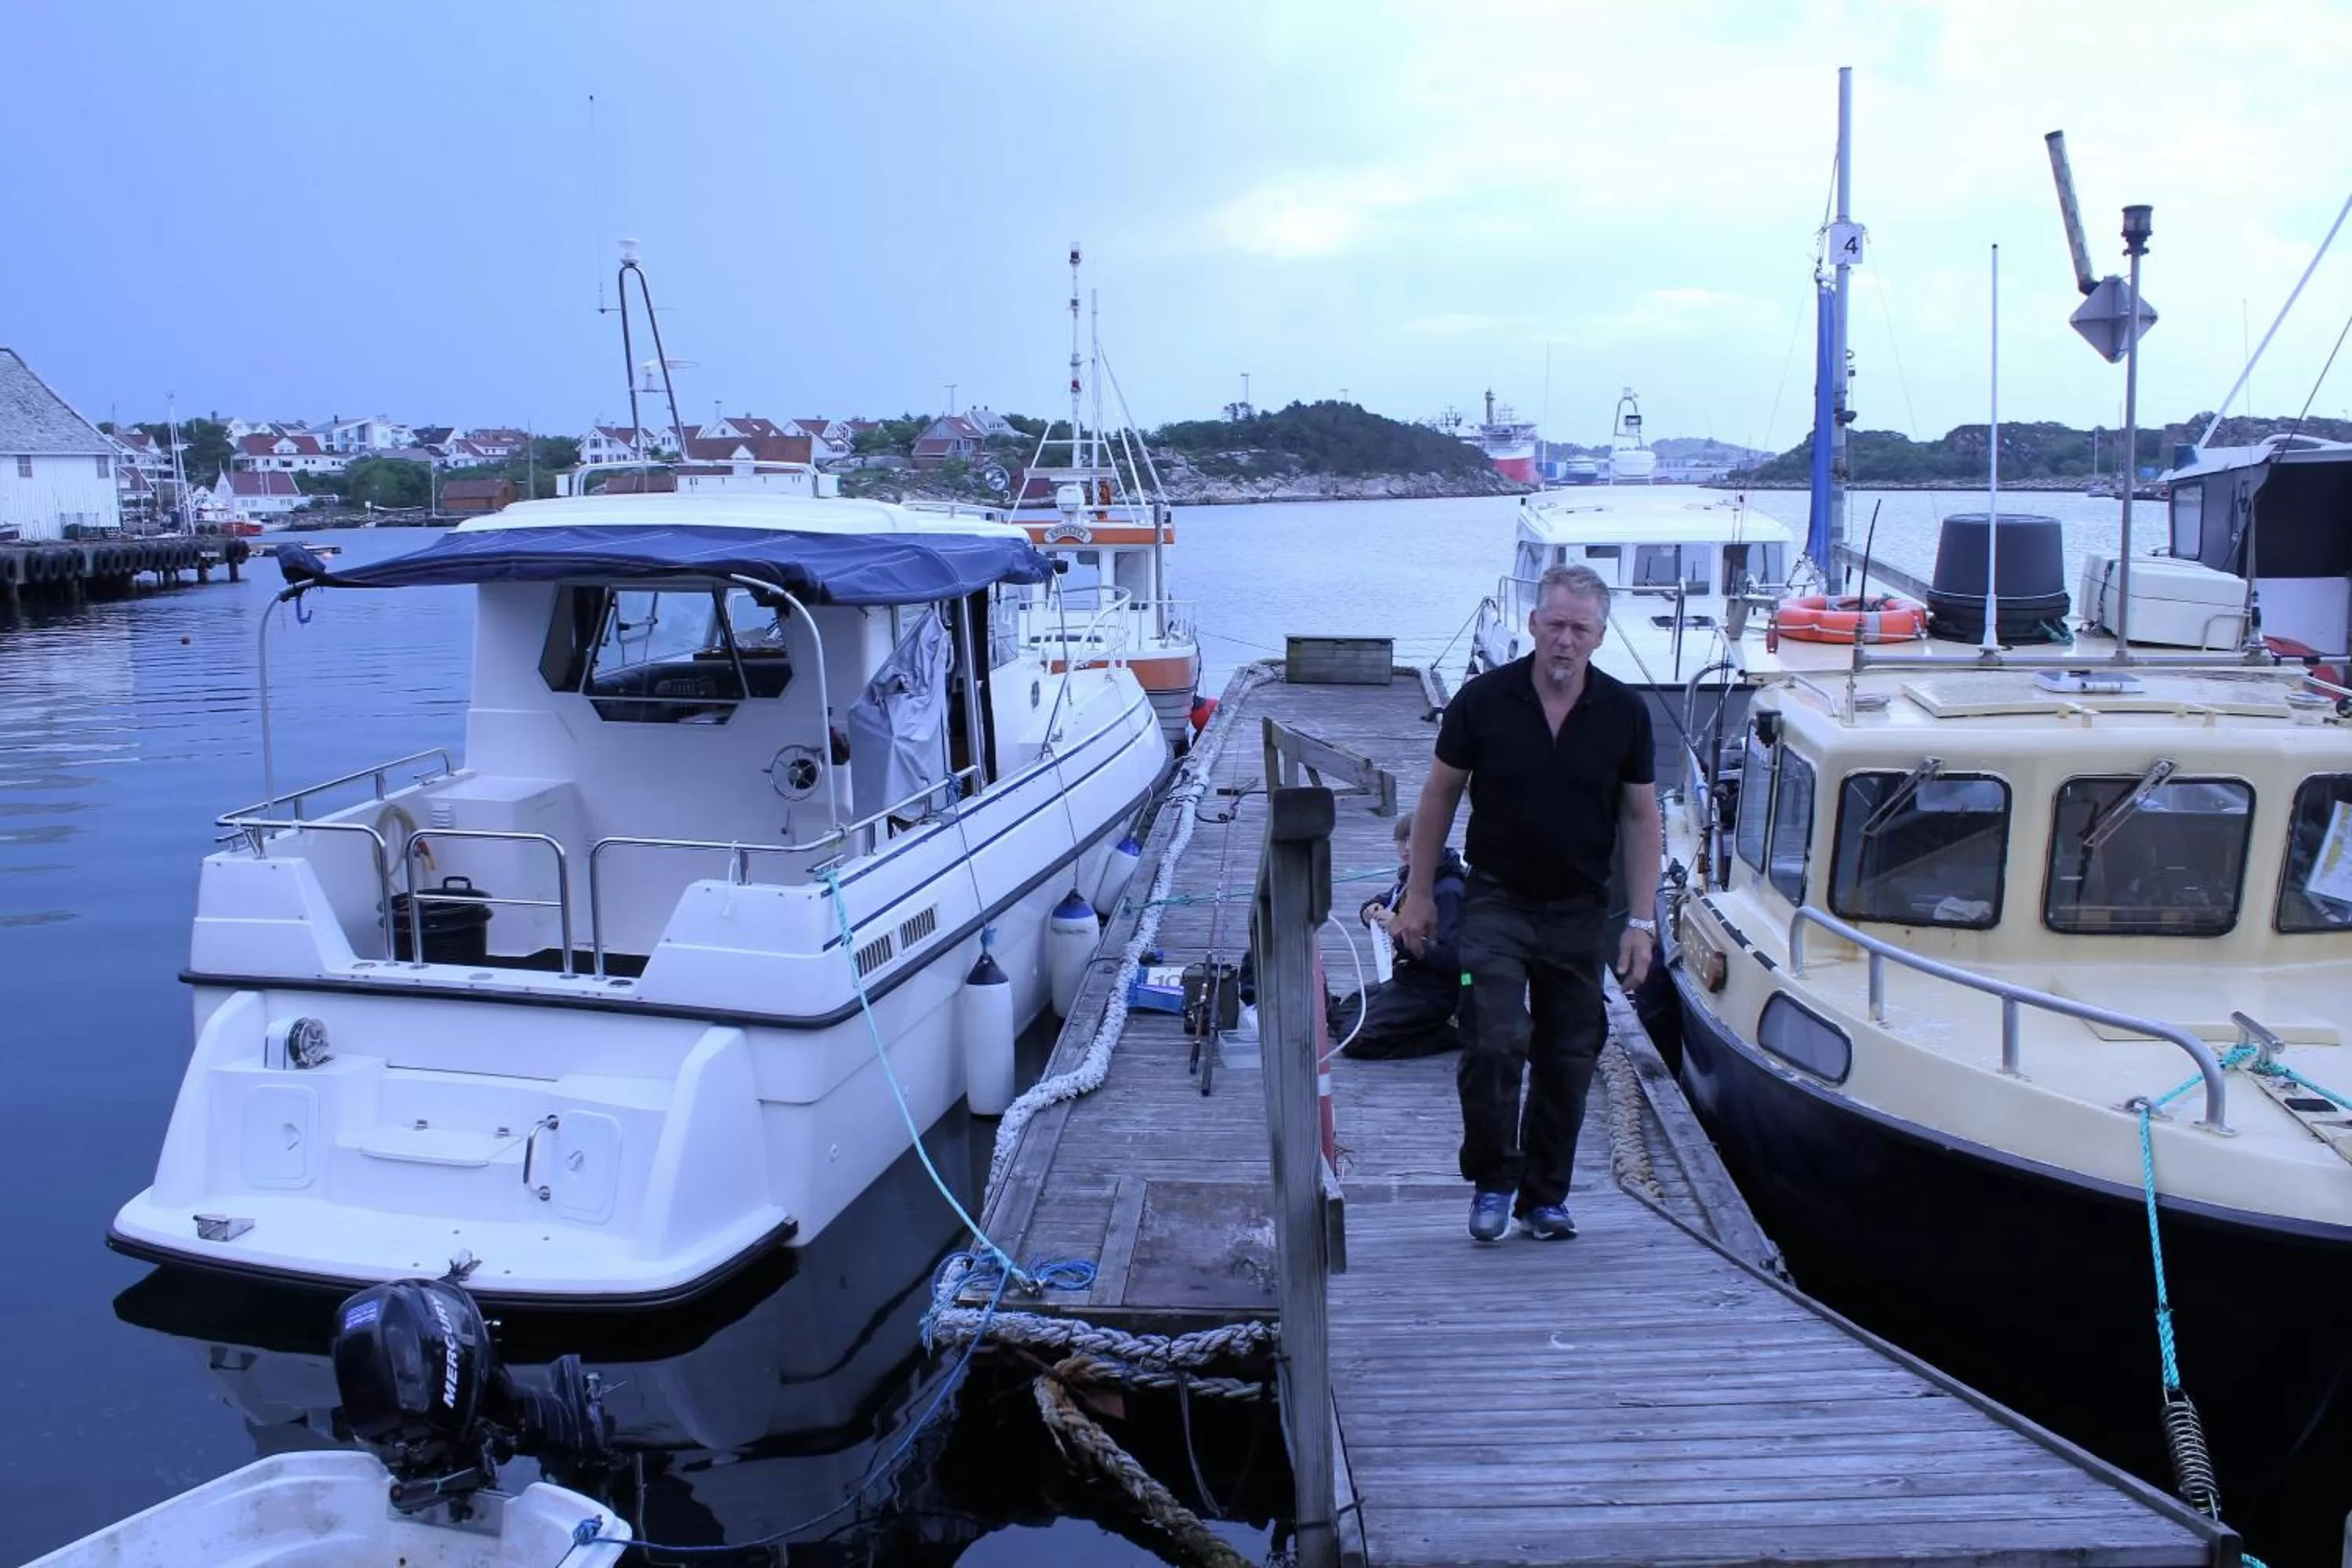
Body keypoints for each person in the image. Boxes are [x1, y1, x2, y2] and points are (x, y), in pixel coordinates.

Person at [1393, 564, 1661, 1243]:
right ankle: (1492, 1178)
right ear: (1534, 625)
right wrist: (1419, 893)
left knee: (1570, 1054)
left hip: (1579, 911)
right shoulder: (1484, 701)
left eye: (1581, 628)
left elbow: (1640, 818)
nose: (1565, 640)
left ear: (1599, 637)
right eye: (1556, 624)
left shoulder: (1625, 713)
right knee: (1491, 1037)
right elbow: (1440, 795)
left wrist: (1641, 921)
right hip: (1496, 900)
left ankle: (1545, 1197)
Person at [1334, 814, 1473, 1060]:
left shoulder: (1448, 891)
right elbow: (1387, 900)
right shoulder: (1413, 877)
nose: (1408, 848)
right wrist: (1372, 910)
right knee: (1341, 1015)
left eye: (1416, 839)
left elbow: (1455, 961)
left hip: (1438, 989)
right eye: (1403, 840)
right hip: (1408, 977)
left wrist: (1399, 932)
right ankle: (1411, 1025)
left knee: (1357, 1040)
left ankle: (1452, 1033)